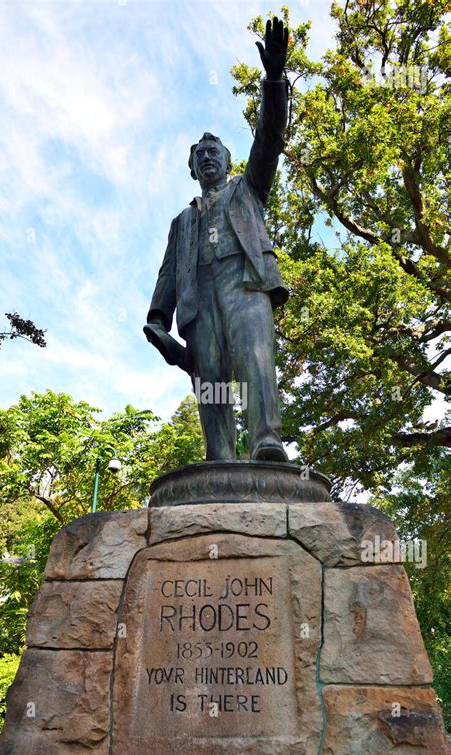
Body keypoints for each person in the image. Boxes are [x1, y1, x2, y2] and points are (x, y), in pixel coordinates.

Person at [144, 17, 290, 462]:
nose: (208, 157)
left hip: (244, 282)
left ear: (229, 161)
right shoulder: (181, 221)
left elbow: (269, 138)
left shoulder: (247, 190)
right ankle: (221, 457)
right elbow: (168, 272)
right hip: (197, 297)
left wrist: (274, 79)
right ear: (192, 169)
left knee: (256, 361)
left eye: (215, 152)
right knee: (209, 378)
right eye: (199, 155)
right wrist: (157, 319)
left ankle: (266, 441)